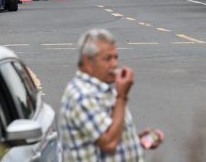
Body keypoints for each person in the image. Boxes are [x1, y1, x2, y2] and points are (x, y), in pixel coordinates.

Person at [59, 29, 164, 160]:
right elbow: (109, 144)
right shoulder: (82, 96)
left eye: (116, 57)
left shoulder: (101, 88)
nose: (114, 64)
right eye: (107, 58)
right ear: (88, 63)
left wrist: (135, 141)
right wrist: (122, 96)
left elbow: (106, 132)